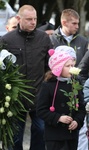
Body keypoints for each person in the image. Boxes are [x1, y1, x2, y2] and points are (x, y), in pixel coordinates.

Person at [0, 5, 51, 150]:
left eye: (35, 19)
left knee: (41, 131)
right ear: (18, 19)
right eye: (29, 19)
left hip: (39, 96)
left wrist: (47, 84)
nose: (33, 22)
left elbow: (50, 65)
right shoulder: (7, 40)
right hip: (15, 99)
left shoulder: (44, 39)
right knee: (15, 137)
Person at [36, 46, 86, 150]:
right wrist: (58, 118)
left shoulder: (75, 83)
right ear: (59, 67)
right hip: (54, 135)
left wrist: (77, 121)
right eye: (68, 66)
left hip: (71, 135)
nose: (71, 68)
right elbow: (41, 110)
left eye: (73, 65)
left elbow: (81, 108)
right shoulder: (48, 85)